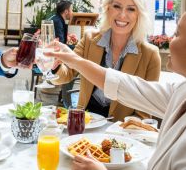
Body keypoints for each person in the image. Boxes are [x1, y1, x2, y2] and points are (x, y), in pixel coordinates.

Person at [46, 13, 186, 170]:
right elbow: (122, 85)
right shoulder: (180, 92)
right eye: (116, 6)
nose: (171, 39)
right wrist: (71, 59)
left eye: (177, 33)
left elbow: (136, 105)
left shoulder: (151, 55)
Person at [51, 0, 161, 121]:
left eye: (131, 9)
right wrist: (54, 66)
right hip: (85, 124)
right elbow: (66, 74)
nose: (122, 15)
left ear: (139, 14)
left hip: (122, 132)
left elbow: (145, 111)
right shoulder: (89, 40)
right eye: (117, 6)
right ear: (107, 8)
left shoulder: (150, 55)